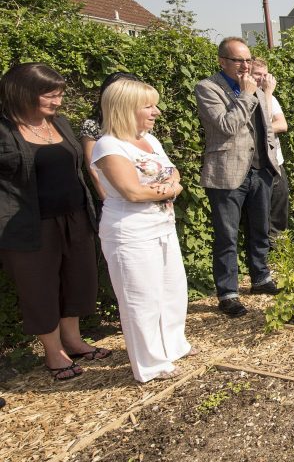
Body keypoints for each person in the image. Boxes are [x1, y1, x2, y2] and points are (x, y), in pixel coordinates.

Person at [0, 62, 105, 381]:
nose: (57, 102)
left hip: (74, 216)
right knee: (40, 287)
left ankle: (72, 340)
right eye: (50, 96)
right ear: (24, 93)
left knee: (77, 278)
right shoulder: (4, 130)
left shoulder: (59, 122)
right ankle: (53, 352)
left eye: (59, 95)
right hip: (30, 224)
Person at [91, 79, 193, 382]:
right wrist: (170, 189)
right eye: (148, 106)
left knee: (172, 290)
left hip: (161, 225)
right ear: (126, 108)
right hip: (130, 232)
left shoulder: (148, 139)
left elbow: (173, 171)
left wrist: (171, 184)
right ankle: (150, 364)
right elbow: (132, 193)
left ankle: (173, 346)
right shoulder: (108, 145)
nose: (156, 111)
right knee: (141, 299)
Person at [195, 37, 281, 318]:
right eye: (238, 60)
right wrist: (246, 94)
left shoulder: (253, 88)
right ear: (222, 61)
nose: (245, 65)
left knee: (260, 229)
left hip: (259, 170)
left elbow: (266, 125)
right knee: (227, 236)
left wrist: (270, 162)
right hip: (228, 173)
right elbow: (227, 125)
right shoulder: (208, 88)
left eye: (248, 59)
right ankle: (228, 292)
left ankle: (260, 278)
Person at [80, 72, 141, 204]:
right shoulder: (93, 125)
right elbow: (93, 169)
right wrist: (107, 201)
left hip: (140, 192)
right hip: (113, 197)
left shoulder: (139, 124)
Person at [250, 59, 289, 241]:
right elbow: (259, 125)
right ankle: (263, 252)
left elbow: (282, 124)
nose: (263, 79)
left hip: (277, 161)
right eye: (258, 74)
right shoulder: (248, 97)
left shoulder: (270, 97)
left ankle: (278, 247)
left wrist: (267, 94)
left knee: (279, 205)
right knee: (260, 211)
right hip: (259, 164)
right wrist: (267, 92)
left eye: (266, 75)